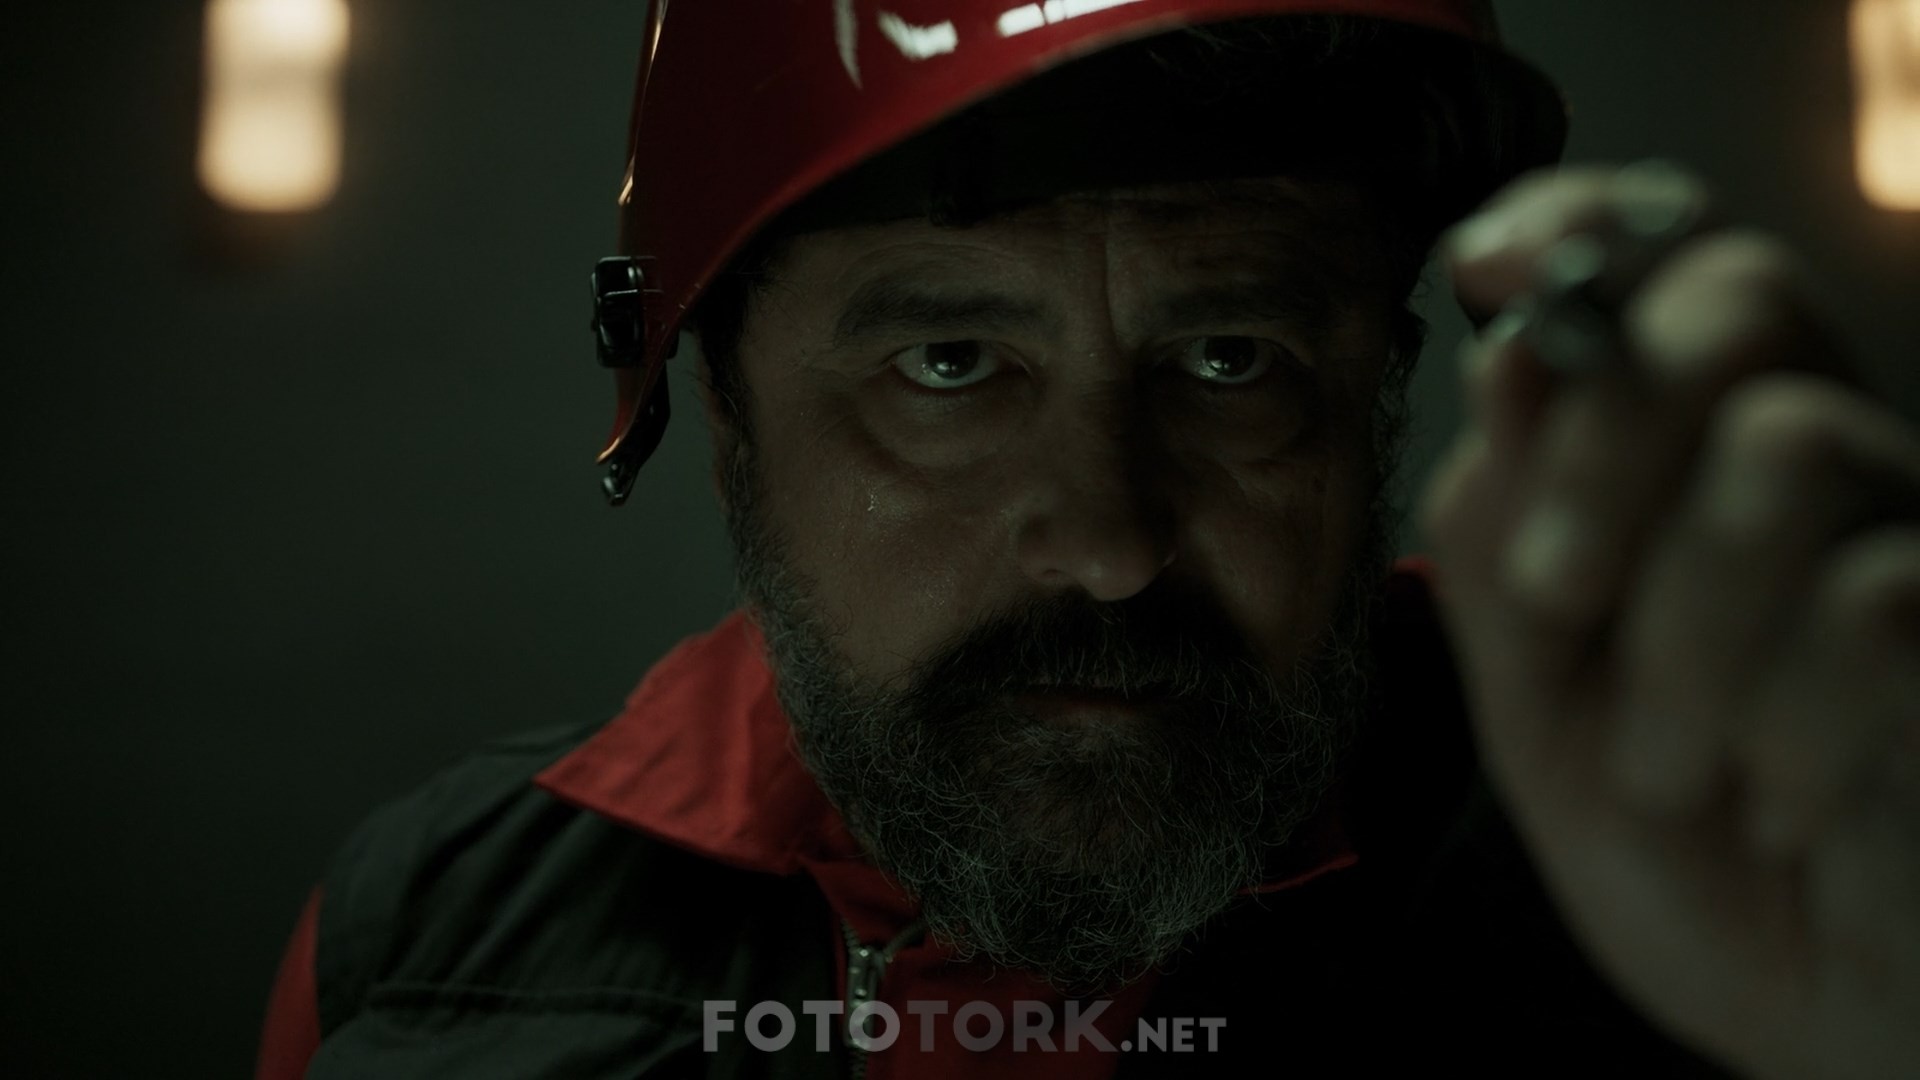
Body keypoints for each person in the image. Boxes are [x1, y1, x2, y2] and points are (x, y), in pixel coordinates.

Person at [254, 2, 1920, 1077]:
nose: (1111, 546)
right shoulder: (431, 933)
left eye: (1231, 359)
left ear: (1380, 403)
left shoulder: (1721, 855)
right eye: (950, 364)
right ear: (726, 414)